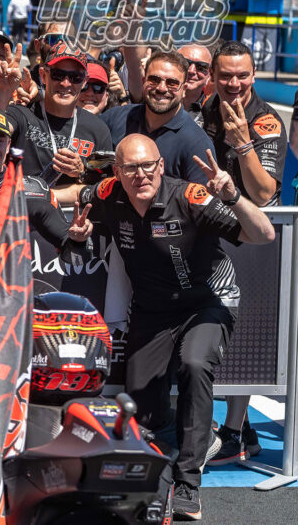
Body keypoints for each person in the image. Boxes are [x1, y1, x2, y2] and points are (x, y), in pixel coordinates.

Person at [78, 134, 275, 520]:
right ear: (116, 172)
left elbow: (264, 234)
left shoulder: (190, 197)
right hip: (153, 312)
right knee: (142, 405)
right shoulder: (108, 194)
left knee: (195, 364)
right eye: (131, 168)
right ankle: (197, 439)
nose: (141, 175)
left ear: (161, 166)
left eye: (148, 165)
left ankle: (188, 482)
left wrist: (233, 196)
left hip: (208, 303)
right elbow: (73, 196)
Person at [199, 41, 287, 466]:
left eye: (242, 75)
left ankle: (234, 430)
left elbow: (266, 193)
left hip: (252, 237)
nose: (234, 84)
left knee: (246, 332)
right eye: (226, 76)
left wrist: (243, 145)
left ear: (253, 75)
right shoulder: (200, 111)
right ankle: (236, 429)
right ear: (213, 77)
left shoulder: (266, 120)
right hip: (203, 231)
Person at [0, 106, 91, 292]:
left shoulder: (33, 190)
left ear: (9, 145)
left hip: (6, 303)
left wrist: (78, 240)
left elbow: (77, 260)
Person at [8, 42, 113, 203]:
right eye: (58, 75)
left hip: (72, 222)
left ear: (84, 81)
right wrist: (4, 89)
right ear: (43, 75)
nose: (66, 83)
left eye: (75, 78)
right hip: (21, 216)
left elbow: (104, 186)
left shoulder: (97, 129)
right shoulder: (22, 113)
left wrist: (82, 171)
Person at [101, 50, 215, 183]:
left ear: (184, 90)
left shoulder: (197, 143)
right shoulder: (114, 118)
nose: (161, 88)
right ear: (143, 81)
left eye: (172, 83)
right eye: (154, 80)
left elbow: (200, 200)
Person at [180, 44, 214, 125]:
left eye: (201, 67)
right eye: (185, 63)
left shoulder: (214, 111)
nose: (191, 71)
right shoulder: (156, 100)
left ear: (210, 74)